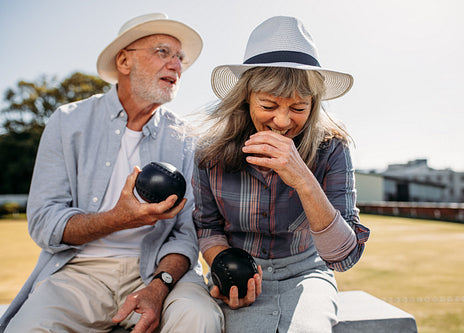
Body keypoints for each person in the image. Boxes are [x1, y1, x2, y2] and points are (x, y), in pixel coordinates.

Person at [0, 13, 223, 333]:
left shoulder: (188, 139)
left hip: (159, 271)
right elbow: (44, 223)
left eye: (180, 58)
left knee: (199, 318)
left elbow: (187, 233)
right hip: (79, 272)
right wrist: (119, 218)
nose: (176, 65)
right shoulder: (67, 121)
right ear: (123, 61)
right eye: (163, 52)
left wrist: (159, 288)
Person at [193, 16, 370, 332]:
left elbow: (343, 257)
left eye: (299, 108)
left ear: (314, 104)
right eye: (268, 105)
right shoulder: (210, 152)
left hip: (307, 273)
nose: (283, 121)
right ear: (247, 98)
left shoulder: (333, 147)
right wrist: (226, 269)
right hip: (241, 274)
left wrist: (302, 178)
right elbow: (207, 227)